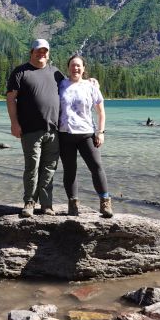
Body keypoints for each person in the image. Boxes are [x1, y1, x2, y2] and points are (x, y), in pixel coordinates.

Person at [6, 39, 64, 218]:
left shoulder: (56, 73)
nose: (42, 54)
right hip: (30, 130)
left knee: (49, 168)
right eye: (38, 51)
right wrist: (14, 123)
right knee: (32, 167)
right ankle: (29, 202)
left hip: (53, 130)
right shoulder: (20, 72)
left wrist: (91, 82)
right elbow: (10, 98)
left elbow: (71, 88)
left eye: (45, 51)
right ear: (32, 52)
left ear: (49, 53)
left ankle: (46, 204)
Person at [58, 55, 112, 218]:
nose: (75, 68)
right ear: (68, 68)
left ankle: (105, 202)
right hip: (65, 134)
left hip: (86, 134)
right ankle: (73, 204)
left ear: (83, 69)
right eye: (73, 66)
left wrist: (101, 132)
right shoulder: (61, 84)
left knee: (96, 166)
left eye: (78, 66)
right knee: (70, 170)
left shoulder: (91, 86)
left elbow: (101, 112)